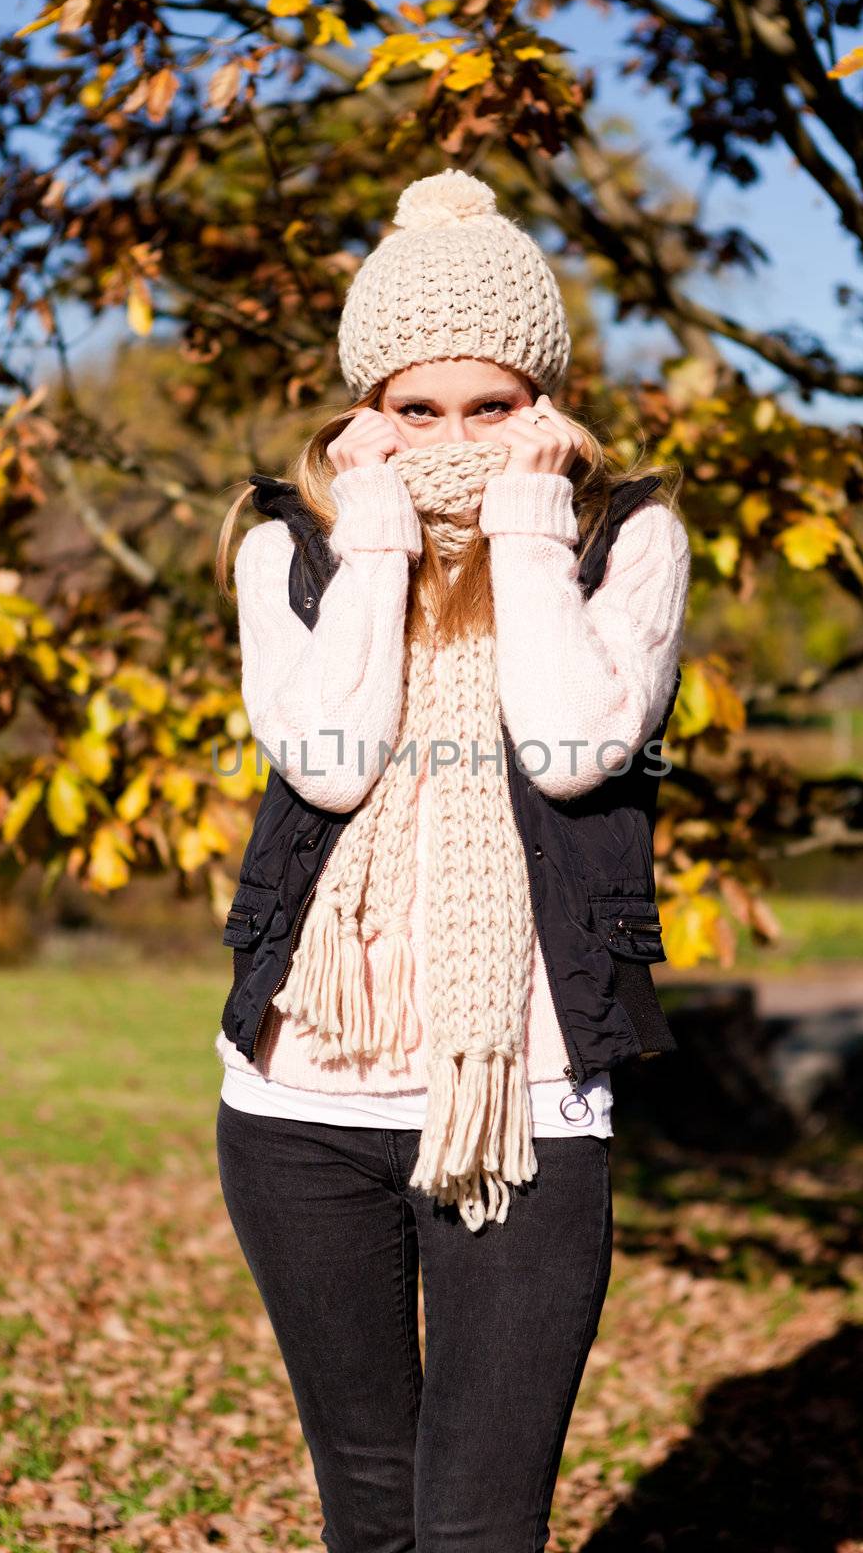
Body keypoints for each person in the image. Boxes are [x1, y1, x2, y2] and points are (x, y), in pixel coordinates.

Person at [212, 168, 691, 1552]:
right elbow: (333, 759)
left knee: (482, 1523)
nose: (454, 434)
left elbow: (570, 748)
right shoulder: (289, 551)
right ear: (367, 410)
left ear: (543, 402)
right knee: (370, 1506)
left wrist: (528, 530)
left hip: (527, 1105)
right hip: (304, 1105)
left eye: (492, 405)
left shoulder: (621, 535)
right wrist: (373, 543)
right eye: (416, 406)